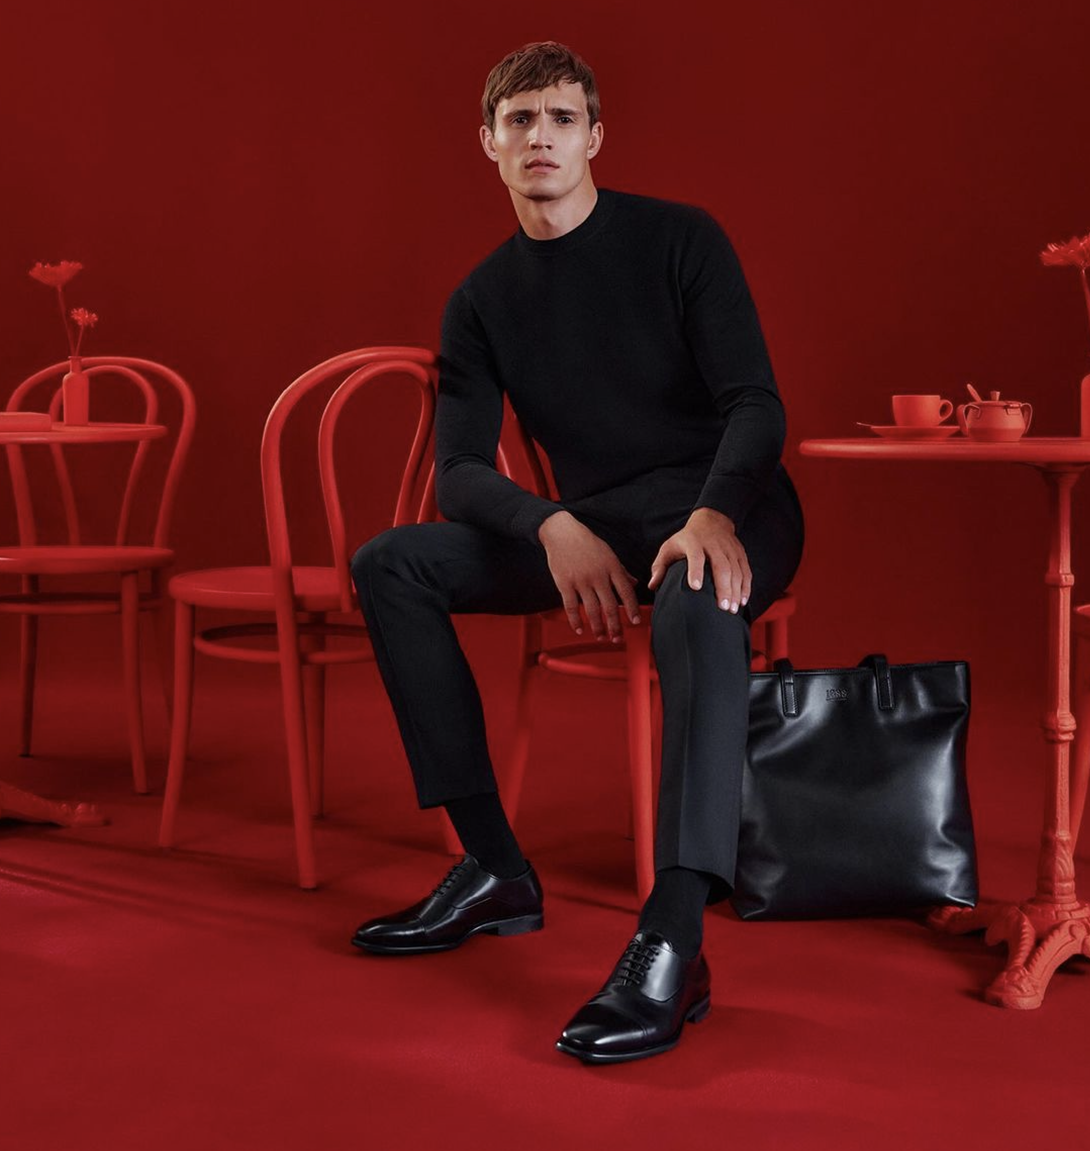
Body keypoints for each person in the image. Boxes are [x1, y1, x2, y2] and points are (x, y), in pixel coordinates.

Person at [349, 40, 804, 1064]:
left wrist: (714, 513)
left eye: (560, 119)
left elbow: (756, 404)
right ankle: (492, 864)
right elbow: (459, 469)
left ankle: (672, 939)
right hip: (599, 527)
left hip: (732, 508)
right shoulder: (480, 300)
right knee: (393, 563)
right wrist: (553, 524)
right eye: (520, 122)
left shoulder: (681, 240)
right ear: (490, 146)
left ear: (594, 136)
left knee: (693, 590)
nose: (540, 138)